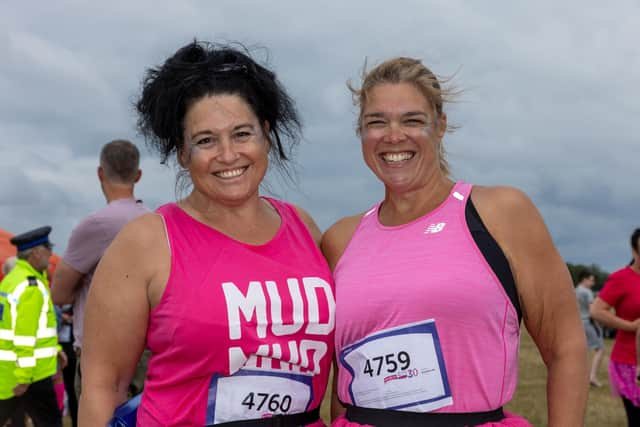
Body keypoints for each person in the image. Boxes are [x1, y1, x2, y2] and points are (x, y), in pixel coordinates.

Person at [78, 41, 335, 426]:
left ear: (265, 133)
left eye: (242, 133)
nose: (228, 154)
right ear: (182, 153)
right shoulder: (146, 243)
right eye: (205, 140)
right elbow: (103, 386)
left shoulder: (304, 227)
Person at [321, 57, 587, 427]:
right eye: (376, 122)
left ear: (440, 126)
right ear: (361, 133)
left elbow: (566, 348)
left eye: (412, 120)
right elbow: (343, 383)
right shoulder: (340, 239)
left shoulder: (500, 214)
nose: (393, 135)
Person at [51, 139, 149, 417]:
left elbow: (59, 294)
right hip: (148, 351)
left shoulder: (96, 225)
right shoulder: (155, 221)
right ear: (138, 175)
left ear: (100, 173)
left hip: (102, 353)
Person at [0, 226, 66, 427]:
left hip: (11, 371)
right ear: (36, 252)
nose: (50, 254)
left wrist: (55, 349)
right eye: (49, 248)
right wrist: (24, 377)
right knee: (51, 423)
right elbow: (24, 335)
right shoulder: (31, 287)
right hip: (32, 374)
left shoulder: (12, 279)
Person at [591, 228, 640, 426]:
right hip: (630, 362)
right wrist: (629, 326)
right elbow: (596, 310)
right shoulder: (622, 278)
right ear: (634, 251)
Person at [575, 270, 605, 387]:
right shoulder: (587, 292)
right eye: (591, 280)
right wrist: (599, 323)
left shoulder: (575, 290)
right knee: (600, 349)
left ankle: (579, 376)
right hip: (588, 322)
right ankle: (592, 376)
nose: (593, 283)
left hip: (578, 323)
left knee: (582, 351)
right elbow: (593, 311)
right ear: (584, 279)